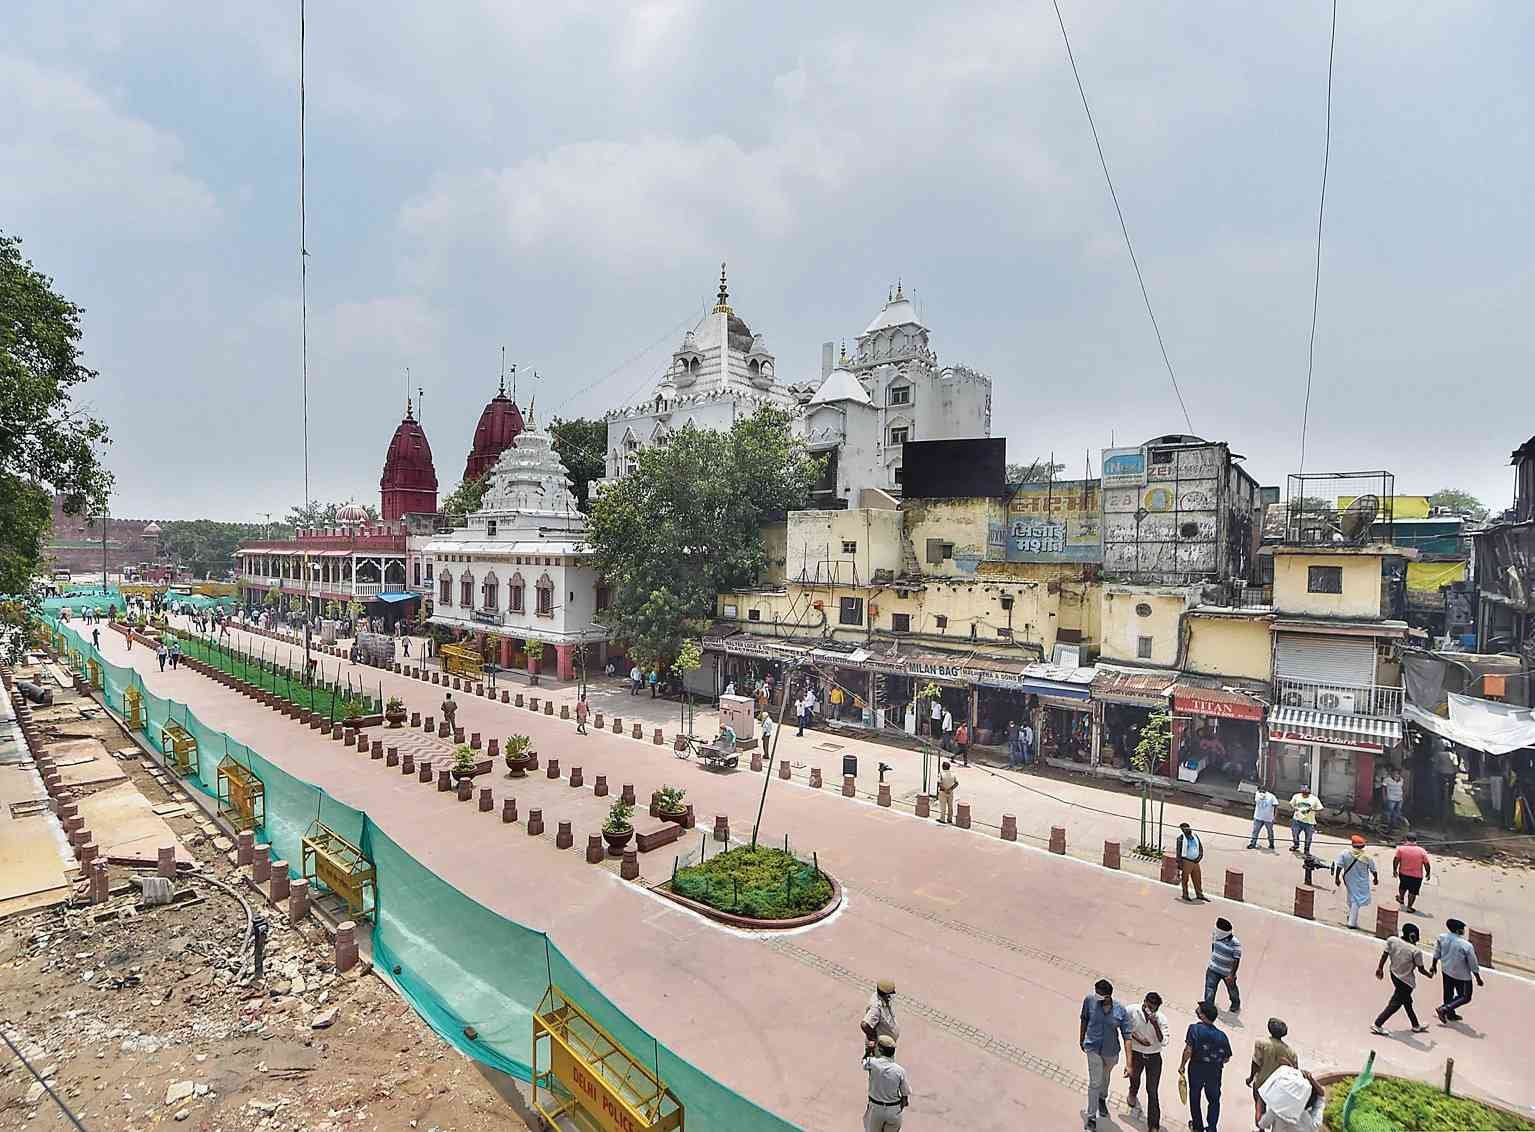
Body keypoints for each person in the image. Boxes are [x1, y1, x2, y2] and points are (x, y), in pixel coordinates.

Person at [1079, 978, 1133, 1130]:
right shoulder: (1089, 1000)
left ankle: (1102, 1098)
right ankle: (1091, 1117)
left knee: (1105, 1076)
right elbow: (1084, 1018)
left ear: (1108, 996)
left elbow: (1127, 1036)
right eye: (1096, 992)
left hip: (1111, 1051)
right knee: (1095, 1082)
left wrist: (1129, 1064)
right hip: (1093, 1047)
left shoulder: (1120, 1010)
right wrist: (1081, 1038)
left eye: (1100, 994)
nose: (1096, 996)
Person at [1179, 1000, 1232, 1132]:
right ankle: (1212, 1128)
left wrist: (1182, 1065)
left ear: (1203, 1015)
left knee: (1195, 1097)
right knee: (1214, 1100)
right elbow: (1227, 1058)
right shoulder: (1222, 1036)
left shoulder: (1194, 1029)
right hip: (1214, 1072)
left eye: (1199, 1009)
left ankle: (1197, 1127)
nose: (1197, 1010)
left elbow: (1188, 1050)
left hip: (1196, 1069)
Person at [1373, 921, 1431, 1035]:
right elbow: (1421, 969)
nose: (1418, 939)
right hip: (1406, 981)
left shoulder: (1392, 940)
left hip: (1394, 974)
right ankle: (1377, 1024)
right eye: (1417, 936)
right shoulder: (1416, 951)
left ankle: (1415, 1025)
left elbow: (1385, 954)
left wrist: (1380, 968)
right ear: (1412, 936)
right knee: (1395, 1004)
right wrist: (1429, 974)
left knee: (1407, 1002)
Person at [1124, 990, 1168, 1132]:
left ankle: (1153, 1125)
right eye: (1150, 1007)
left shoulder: (1161, 1019)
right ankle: (1132, 1092)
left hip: (1154, 1057)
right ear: (1144, 1003)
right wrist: (1138, 1039)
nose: (1151, 1011)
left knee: (1152, 1091)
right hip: (1136, 1054)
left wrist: (1155, 1025)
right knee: (1135, 1077)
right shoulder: (1131, 1010)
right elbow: (1124, 1027)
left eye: (1155, 1008)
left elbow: (1164, 1041)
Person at [1430, 917, 1484, 1022]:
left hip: (1446, 970)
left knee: (1448, 993)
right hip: (1462, 975)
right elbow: (1473, 963)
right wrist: (1478, 978)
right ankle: (1444, 1009)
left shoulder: (1442, 937)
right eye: (1462, 929)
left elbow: (1437, 952)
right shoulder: (1466, 945)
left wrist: (1434, 965)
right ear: (1458, 930)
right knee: (1465, 996)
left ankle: (1450, 1014)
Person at [1247, 1017, 1297, 1128]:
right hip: (1279, 1087)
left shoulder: (1261, 1043)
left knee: (1259, 1107)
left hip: (1261, 1082)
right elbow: (1294, 1072)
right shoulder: (1291, 1053)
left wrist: (1250, 1078)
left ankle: (1261, 1129)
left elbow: (1256, 1063)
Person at [861, 1033, 909, 1132]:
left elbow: (864, 1062)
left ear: (880, 1050)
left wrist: (868, 1050)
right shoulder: (900, 1071)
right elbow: (905, 1098)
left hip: (876, 1109)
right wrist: (895, 1110)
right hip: (893, 1110)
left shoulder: (872, 1062)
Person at [1257, 1067, 1325, 1132]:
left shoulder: (1277, 1110)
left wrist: (1259, 1104)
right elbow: (1320, 1099)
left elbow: (1262, 1124)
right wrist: (1311, 1079)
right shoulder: (1312, 1122)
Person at [1333, 834, 1379, 929]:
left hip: (1348, 879)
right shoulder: (1367, 857)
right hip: (1361, 881)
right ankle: (1352, 922)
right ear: (1363, 846)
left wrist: (1337, 878)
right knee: (1356, 900)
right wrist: (1375, 879)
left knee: (1351, 897)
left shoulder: (1344, 853)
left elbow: (1339, 867)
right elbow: (1373, 870)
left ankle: (1350, 915)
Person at [1205, 917, 1242, 1013]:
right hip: (1213, 969)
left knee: (1232, 990)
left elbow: (1236, 959)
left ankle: (1235, 1004)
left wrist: (1232, 975)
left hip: (1227, 973)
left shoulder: (1235, 943)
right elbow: (1213, 947)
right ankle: (1208, 1008)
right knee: (1210, 989)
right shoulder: (1215, 935)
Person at [1392, 833, 1431, 912]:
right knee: (1413, 892)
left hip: (1403, 873)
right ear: (1416, 840)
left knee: (1402, 886)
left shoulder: (1401, 849)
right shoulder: (1422, 851)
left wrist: (1394, 870)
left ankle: (1401, 898)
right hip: (1417, 876)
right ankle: (1409, 907)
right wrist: (1428, 873)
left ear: (1406, 839)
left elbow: (1396, 860)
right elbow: (1426, 863)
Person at [861, 979, 900, 1054]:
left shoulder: (883, 998)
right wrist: (874, 1038)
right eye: (890, 993)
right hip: (881, 1046)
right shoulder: (876, 1008)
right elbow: (864, 1025)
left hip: (888, 1042)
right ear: (884, 994)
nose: (892, 995)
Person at [1176, 822, 1207, 902]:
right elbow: (1178, 852)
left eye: (1187, 828)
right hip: (1187, 861)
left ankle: (1199, 894)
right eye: (1184, 829)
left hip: (1196, 861)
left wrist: (1199, 857)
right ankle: (1185, 895)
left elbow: (1200, 847)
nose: (1186, 830)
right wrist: (1179, 864)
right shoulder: (1181, 838)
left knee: (1197, 878)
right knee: (1185, 879)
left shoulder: (1195, 836)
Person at [1288, 786, 1320, 855]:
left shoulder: (1314, 799)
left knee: (1308, 838)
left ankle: (1306, 850)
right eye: (1303, 793)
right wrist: (1294, 808)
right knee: (1295, 834)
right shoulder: (1296, 796)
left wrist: (1312, 810)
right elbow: (1291, 804)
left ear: (1309, 792)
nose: (1304, 794)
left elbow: (1320, 808)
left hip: (1309, 822)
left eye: (1306, 793)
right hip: (1297, 820)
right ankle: (1296, 845)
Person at [1248, 786, 1278, 850]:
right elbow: (1256, 801)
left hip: (1268, 818)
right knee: (1255, 831)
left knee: (1270, 832)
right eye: (1259, 791)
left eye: (1262, 790)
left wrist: (1274, 817)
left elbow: (1276, 806)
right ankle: (1253, 843)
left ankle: (1271, 844)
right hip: (1258, 816)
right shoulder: (1257, 794)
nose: (1260, 792)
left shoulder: (1271, 796)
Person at [1381, 767, 1406, 832]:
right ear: (1391, 773)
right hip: (1391, 798)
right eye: (1394, 772)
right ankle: (1388, 826)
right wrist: (1384, 797)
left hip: (1399, 799)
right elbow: (1383, 789)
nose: (1396, 774)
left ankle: (1393, 825)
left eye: (1397, 773)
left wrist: (1403, 797)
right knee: (1389, 812)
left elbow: (1402, 788)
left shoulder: (1401, 780)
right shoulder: (1387, 779)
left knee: (1397, 812)